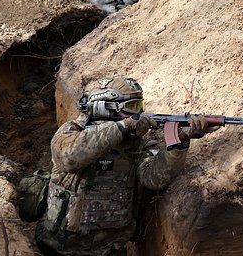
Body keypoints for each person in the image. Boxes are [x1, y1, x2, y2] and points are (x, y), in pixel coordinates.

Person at [36, 75, 215, 255]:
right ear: (104, 107)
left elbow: (154, 178)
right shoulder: (72, 131)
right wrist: (122, 127)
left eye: (139, 106)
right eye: (132, 107)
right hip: (59, 245)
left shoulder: (136, 143)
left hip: (110, 248)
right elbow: (70, 157)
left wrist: (181, 140)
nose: (137, 113)